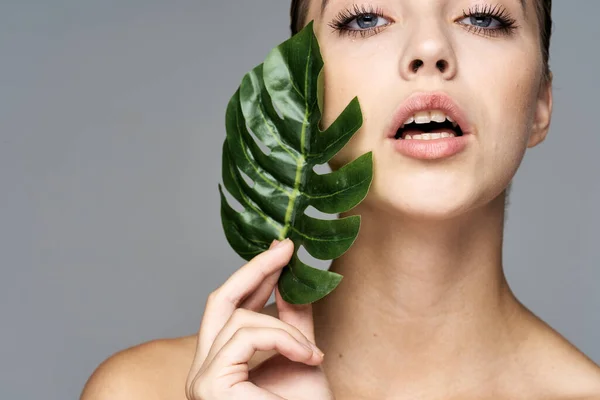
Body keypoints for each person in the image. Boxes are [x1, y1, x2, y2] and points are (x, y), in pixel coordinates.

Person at [81, 0, 600, 399]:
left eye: (483, 18)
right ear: (301, 93)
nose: (429, 48)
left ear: (540, 102)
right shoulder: (140, 391)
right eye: (367, 17)